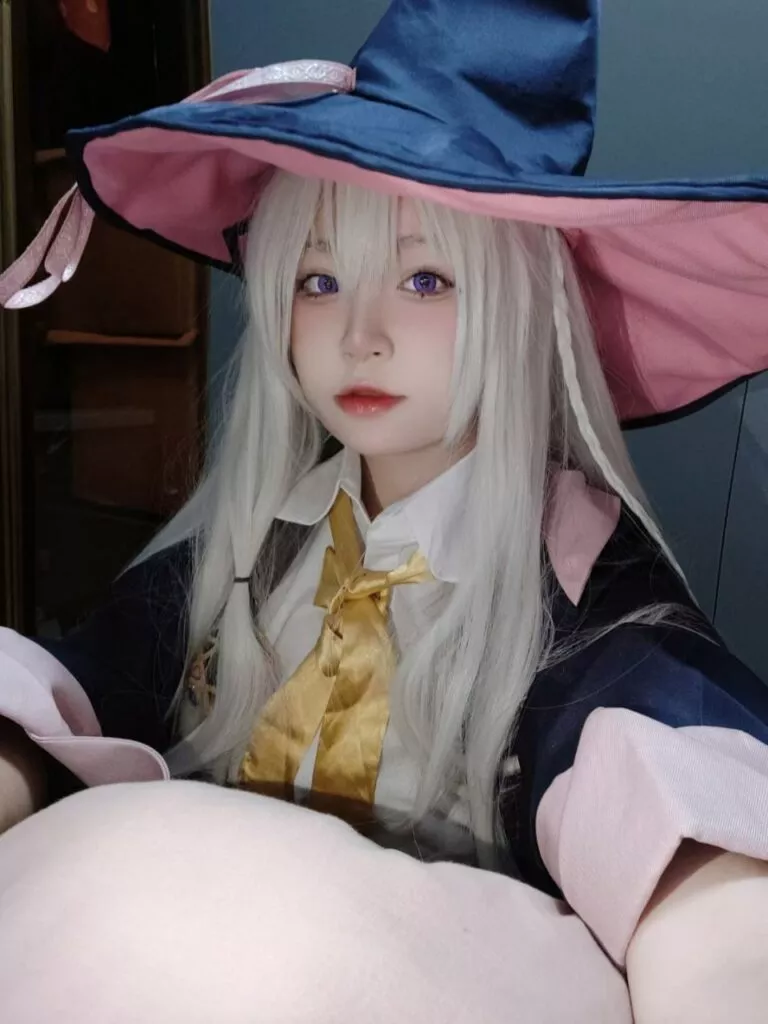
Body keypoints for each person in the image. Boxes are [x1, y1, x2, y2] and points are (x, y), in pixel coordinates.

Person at [0, 1, 767, 1020]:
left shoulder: (588, 596)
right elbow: (89, 678)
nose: (359, 334)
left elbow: (681, 811)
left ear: (520, 301)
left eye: (425, 277)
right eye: (319, 279)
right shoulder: (261, 541)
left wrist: (715, 940)